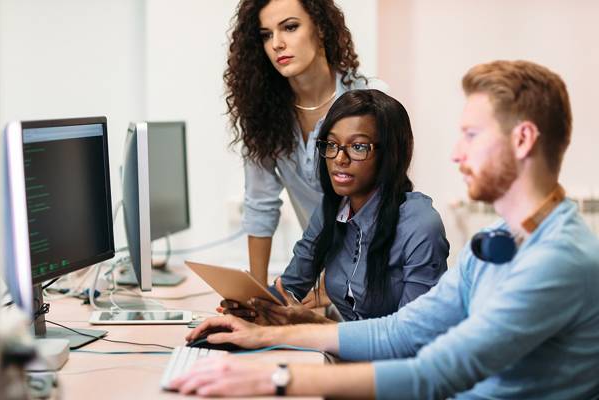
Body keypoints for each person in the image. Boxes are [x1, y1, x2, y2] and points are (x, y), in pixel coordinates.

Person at [171, 60, 599, 398]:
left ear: (522, 140)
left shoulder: (557, 260)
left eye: (470, 135)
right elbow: (402, 330)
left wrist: (274, 380)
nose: (455, 153)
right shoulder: (498, 242)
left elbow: (434, 373)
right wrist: (265, 333)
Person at [222, 89, 449, 325]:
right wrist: (250, 307)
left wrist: (315, 324)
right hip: (348, 355)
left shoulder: (420, 224)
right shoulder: (333, 208)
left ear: (390, 154)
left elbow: (410, 337)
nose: (339, 159)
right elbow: (289, 289)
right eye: (331, 144)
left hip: (398, 361)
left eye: (358, 147)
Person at [225, 0, 387, 287]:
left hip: (378, 275)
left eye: (290, 27)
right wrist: (257, 298)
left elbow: (382, 206)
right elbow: (260, 205)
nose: (277, 43)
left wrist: (327, 290)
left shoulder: (371, 100)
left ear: (321, 28)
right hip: (320, 275)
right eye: (266, 34)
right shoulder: (263, 114)